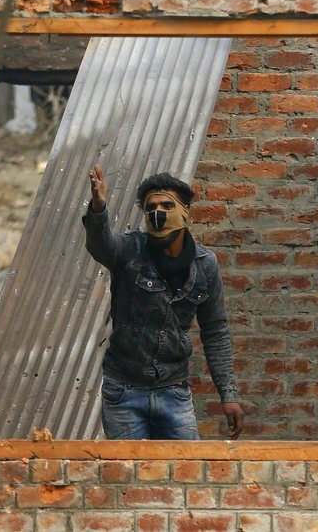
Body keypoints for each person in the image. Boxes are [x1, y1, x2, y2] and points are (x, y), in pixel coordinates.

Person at [82, 165, 245, 440]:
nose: (158, 212)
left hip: (173, 391)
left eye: (167, 205)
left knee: (185, 473)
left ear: (185, 211)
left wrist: (228, 395)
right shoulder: (130, 251)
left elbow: (215, 332)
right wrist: (98, 209)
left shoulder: (205, 266)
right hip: (124, 392)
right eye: (151, 207)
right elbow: (102, 246)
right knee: (128, 475)